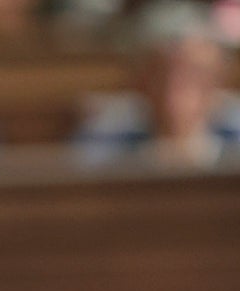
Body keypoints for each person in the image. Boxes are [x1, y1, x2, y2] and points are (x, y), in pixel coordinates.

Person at [74, 0, 240, 168]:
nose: (176, 88)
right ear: (140, 82)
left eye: (193, 74)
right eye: (162, 75)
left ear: (217, 80)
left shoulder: (236, 131)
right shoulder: (105, 136)